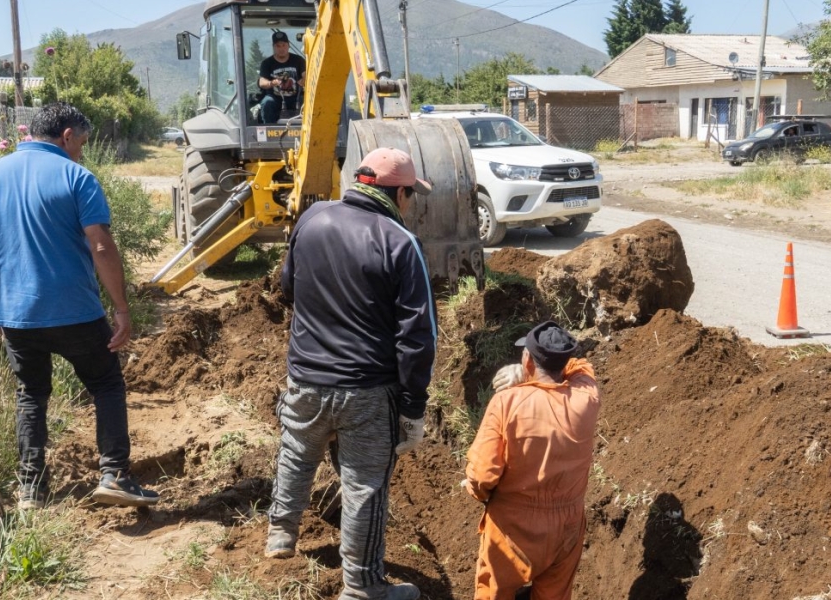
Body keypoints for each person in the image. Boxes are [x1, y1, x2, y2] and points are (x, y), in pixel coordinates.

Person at [0, 102, 159, 511]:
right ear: (67, 135)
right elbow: (101, 246)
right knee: (105, 383)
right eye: (82, 143)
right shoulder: (76, 176)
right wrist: (122, 309)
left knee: (31, 393)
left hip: (15, 313)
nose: (82, 152)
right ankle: (115, 475)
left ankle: (31, 489)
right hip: (75, 310)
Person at [266, 147, 437, 600]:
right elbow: (418, 337)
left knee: (297, 452)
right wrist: (414, 407)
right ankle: (363, 587)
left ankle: (281, 534)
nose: (410, 204)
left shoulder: (312, 218)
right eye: (410, 195)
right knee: (365, 485)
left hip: (305, 375)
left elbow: (288, 286)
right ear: (397, 193)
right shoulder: (401, 243)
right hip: (366, 390)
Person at [462, 321, 600, 600]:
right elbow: (583, 367)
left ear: (526, 359)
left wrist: (477, 492)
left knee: (494, 593)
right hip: (567, 527)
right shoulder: (587, 397)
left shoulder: (507, 402)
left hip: (514, 526)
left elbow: (482, 475)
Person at [257, 31, 306, 124]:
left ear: (288, 45)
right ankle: (269, 129)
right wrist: (271, 83)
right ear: (273, 47)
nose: (281, 48)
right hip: (276, 98)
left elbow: (306, 75)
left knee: (307, 101)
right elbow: (262, 82)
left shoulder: (298, 60)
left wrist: (303, 80)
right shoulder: (267, 63)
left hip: (296, 97)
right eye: (278, 46)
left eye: (283, 45)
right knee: (267, 103)